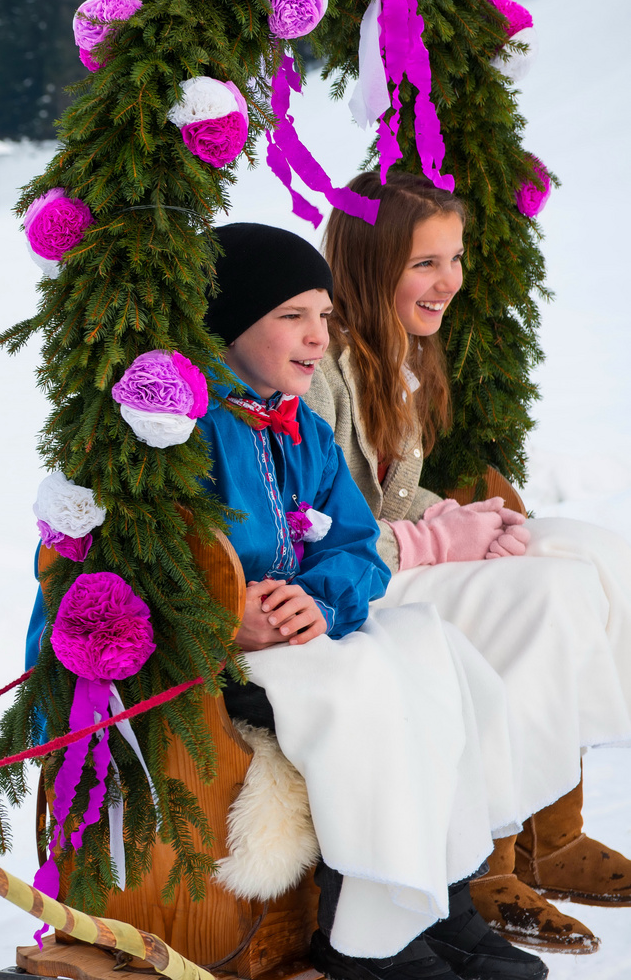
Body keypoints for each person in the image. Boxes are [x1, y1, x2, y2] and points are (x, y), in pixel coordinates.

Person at [192, 224, 541, 980]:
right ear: (228, 321)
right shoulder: (187, 435)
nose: (319, 337)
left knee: (436, 655)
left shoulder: (305, 432)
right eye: (293, 316)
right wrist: (227, 617)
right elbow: (164, 562)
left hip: (306, 636)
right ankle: (369, 941)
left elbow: (355, 547)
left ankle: (444, 898)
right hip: (238, 659)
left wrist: (321, 599)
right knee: (367, 690)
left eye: (324, 315)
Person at [311, 171, 631, 954]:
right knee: (543, 592)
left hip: (394, 556)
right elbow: (328, 526)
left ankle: (550, 826)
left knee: (589, 546)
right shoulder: (322, 370)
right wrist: (434, 539)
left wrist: (460, 519)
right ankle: (486, 854)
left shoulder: (402, 356)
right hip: (359, 583)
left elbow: (391, 494)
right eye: (425, 262)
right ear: (372, 260)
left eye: (454, 259)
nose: (448, 281)